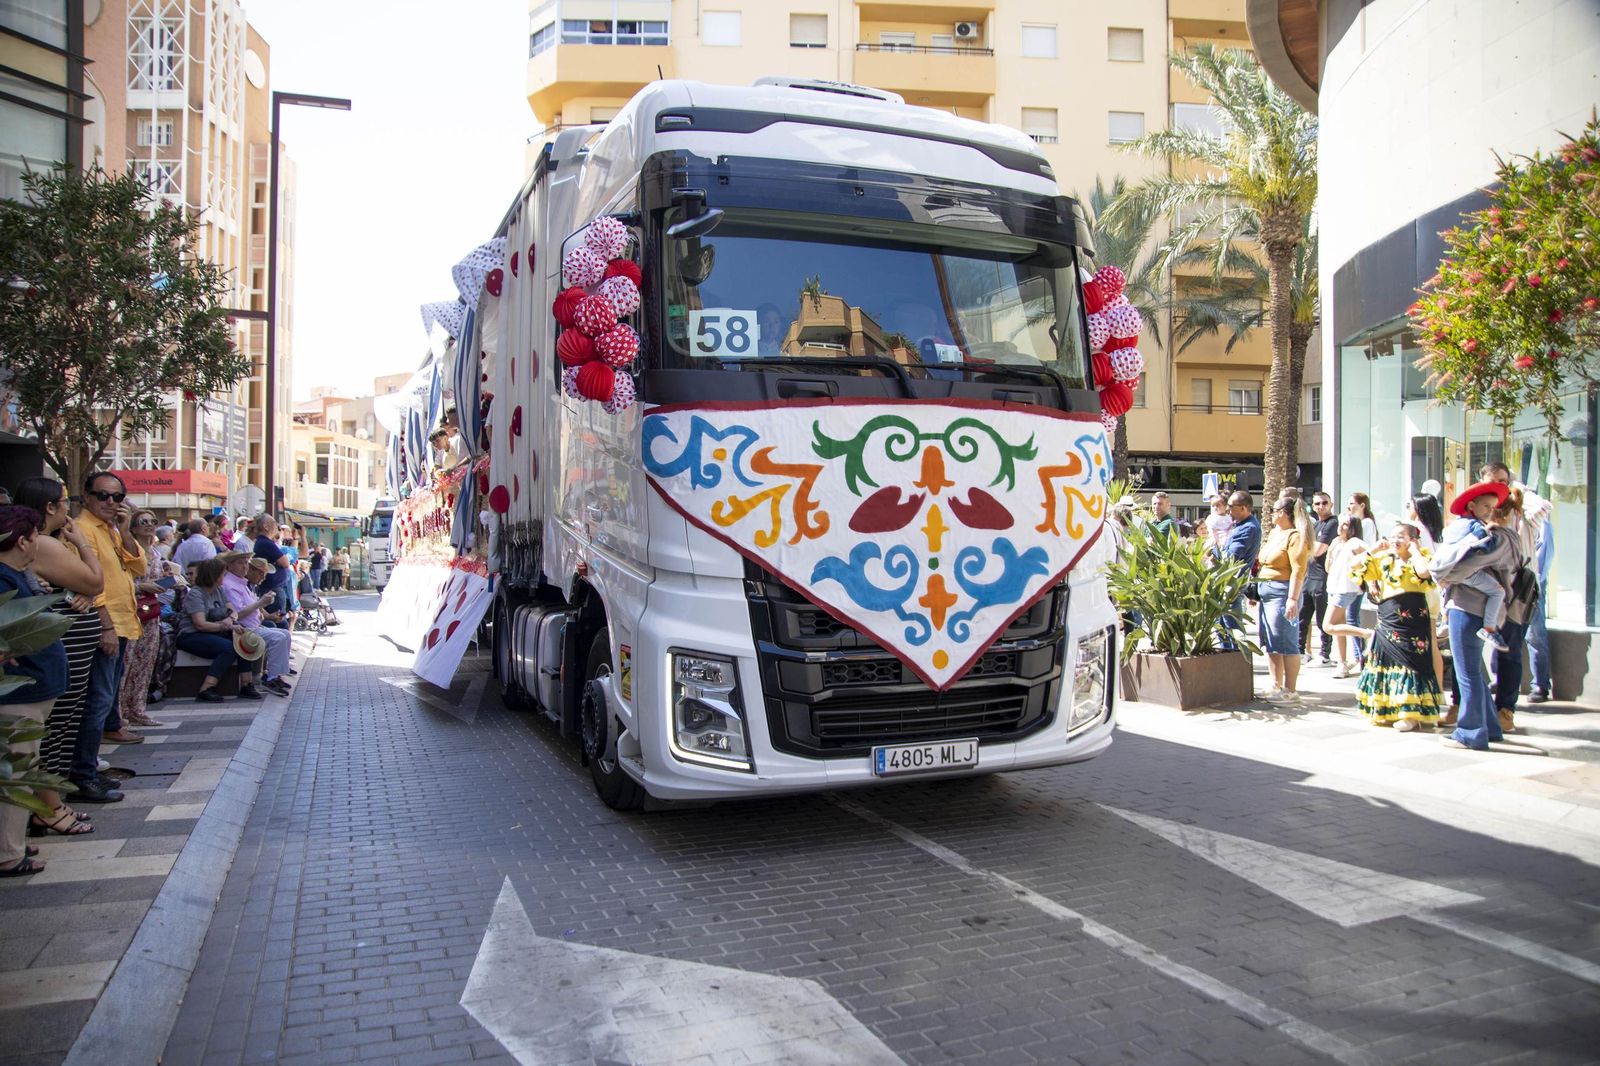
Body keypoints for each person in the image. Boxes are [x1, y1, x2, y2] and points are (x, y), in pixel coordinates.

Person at [14, 478, 111, 809]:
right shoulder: (42, 543)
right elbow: (96, 580)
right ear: (49, 508)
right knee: (58, 725)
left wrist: (80, 592)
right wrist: (82, 543)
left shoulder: (47, 542)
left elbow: (79, 586)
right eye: (65, 501)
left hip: (68, 646)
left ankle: (56, 795)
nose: (70, 508)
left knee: (66, 722)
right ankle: (51, 804)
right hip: (61, 647)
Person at [0, 506, 71, 876]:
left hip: (33, 688)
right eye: (35, 538)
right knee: (16, 768)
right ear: (24, 540)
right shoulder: (4, 579)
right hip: (19, 694)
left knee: (24, 764)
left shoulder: (16, 574)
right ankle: (7, 852)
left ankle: (11, 839)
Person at [73, 472, 148, 804]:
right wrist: (104, 626)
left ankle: (87, 768)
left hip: (122, 623)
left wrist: (126, 530)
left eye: (117, 497)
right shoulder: (82, 530)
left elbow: (138, 567)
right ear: (86, 496)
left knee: (104, 700)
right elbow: (89, 585)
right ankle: (83, 774)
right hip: (105, 625)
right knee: (97, 701)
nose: (110, 503)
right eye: (102, 496)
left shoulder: (111, 531)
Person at [1433, 481, 1522, 750]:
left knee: (1467, 672)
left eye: (1490, 508)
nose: (1487, 512)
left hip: (1469, 607)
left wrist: (1445, 575)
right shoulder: (1507, 537)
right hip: (1481, 608)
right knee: (1474, 671)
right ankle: (1490, 727)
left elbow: (1456, 568)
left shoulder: (1495, 538)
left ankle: (1471, 732)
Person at [1342, 522, 1444, 732]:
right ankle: (1388, 709)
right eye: (1393, 536)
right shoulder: (1383, 558)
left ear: (1412, 539)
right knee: (1387, 660)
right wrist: (1374, 549)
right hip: (1389, 616)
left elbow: (1424, 573)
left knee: (1411, 662)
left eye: (1401, 536)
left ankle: (1411, 714)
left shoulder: (1421, 556)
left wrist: (1415, 550)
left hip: (1414, 617)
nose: (1396, 540)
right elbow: (1354, 565)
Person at [1478, 460, 1554, 710]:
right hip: (1491, 586)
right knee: (1495, 641)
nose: (1500, 488)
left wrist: (1518, 489)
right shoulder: (1485, 512)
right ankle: (1498, 686)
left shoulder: (1522, 511)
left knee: (1525, 639)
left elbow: (1545, 506)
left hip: (1522, 586)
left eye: (1504, 481)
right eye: (1494, 482)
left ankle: (1528, 692)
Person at [115, 509, 176, 729]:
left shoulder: (158, 553)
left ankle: (137, 709)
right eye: (144, 521)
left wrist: (168, 581)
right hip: (130, 611)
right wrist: (141, 586)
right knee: (126, 663)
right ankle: (119, 712)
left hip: (151, 612)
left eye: (153, 521)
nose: (149, 525)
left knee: (146, 662)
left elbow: (160, 580)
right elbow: (116, 582)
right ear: (132, 526)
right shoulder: (125, 550)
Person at [1431, 489, 1512, 653]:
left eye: (1493, 507)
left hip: (1450, 573)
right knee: (1498, 592)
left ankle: (1446, 620)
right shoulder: (1476, 527)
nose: (1490, 511)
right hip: (1465, 574)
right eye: (1486, 506)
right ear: (1471, 505)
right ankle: (1489, 628)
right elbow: (1473, 555)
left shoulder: (1457, 524)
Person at [177, 558, 265, 702]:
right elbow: (200, 624)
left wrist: (230, 621)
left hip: (215, 631)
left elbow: (233, 611)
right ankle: (206, 688)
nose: (225, 577)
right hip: (191, 635)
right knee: (229, 648)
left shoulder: (219, 591)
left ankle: (246, 684)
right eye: (222, 574)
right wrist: (226, 625)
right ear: (213, 575)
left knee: (243, 639)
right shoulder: (196, 594)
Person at [1256, 497, 1309, 701]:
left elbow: (1298, 570)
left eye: (1273, 509)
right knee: (1271, 640)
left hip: (1282, 591)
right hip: (1266, 591)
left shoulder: (1295, 536)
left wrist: (1292, 599)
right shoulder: (1274, 534)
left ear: (1284, 513)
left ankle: (1290, 689)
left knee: (1286, 641)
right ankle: (1275, 684)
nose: (1270, 513)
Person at [220, 552, 292, 696]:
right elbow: (237, 615)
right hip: (243, 630)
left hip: (254, 626)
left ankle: (275, 675)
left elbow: (253, 608)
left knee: (284, 633)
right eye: (241, 563)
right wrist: (260, 603)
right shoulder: (230, 585)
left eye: (246, 563)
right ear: (230, 565)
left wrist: (264, 612)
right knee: (278, 638)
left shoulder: (241, 583)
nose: (245, 567)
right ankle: (270, 678)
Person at [1324, 516, 1369, 677]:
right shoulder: (1337, 542)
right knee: (1337, 627)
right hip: (1334, 587)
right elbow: (1329, 567)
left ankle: (1367, 634)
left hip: (1346, 588)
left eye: (1345, 524)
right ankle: (1342, 662)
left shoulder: (1355, 542)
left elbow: (1369, 554)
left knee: (1328, 626)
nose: (1341, 527)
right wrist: (1331, 550)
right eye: (1341, 523)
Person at [1218, 491, 1261, 649]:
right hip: (1228, 584)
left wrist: (1216, 552)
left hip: (1232, 585)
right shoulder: (1241, 525)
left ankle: (1235, 664)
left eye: (1230, 506)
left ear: (1243, 508)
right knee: (1223, 629)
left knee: (1232, 631)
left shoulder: (1248, 528)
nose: (1228, 510)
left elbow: (1232, 556)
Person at [1299, 491, 1338, 666]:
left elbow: (1317, 550)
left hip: (1323, 577)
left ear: (1331, 504)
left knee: (1323, 619)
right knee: (1303, 617)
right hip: (1309, 577)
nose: (1321, 507)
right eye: (1317, 504)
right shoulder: (1316, 526)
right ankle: (1299, 651)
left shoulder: (1332, 524)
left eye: (1324, 503)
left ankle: (1325, 655)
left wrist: (1306, 549)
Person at [251, 513, 294, 620]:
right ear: (265, 526)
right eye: (274, 523)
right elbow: (285, 563)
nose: (277, 526)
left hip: (274, 589)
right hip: (272, 590)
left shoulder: (267, 542)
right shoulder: (266, 543)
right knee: (278, 622)